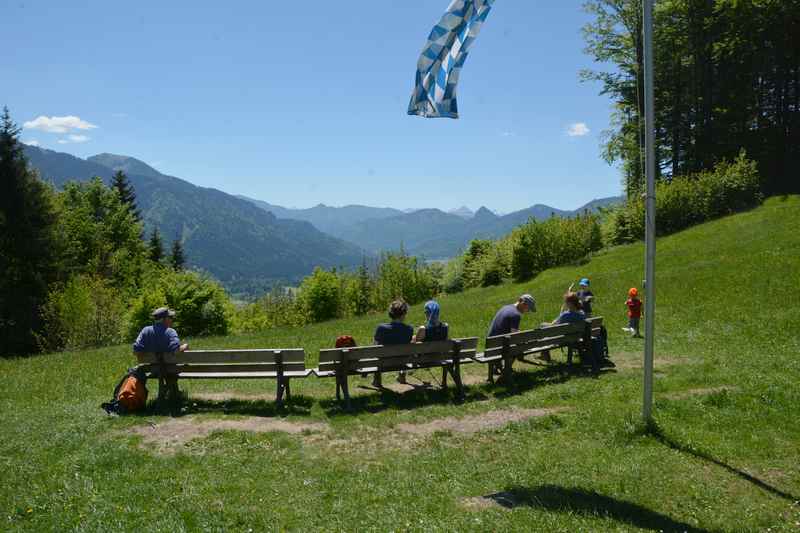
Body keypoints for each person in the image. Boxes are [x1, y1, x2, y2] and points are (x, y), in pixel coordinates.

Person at [132, 307, 188, 404]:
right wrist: (185, 346)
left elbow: (136, 351)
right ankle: (174, 395)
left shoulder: (145, 331)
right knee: (172, 369)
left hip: (153, 370)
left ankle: (173, 394)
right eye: (170, 317)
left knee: (164, 368)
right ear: (164, 319)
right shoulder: (170, 332)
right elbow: (176, 351)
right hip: (170, 369)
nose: (171, 319)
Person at [373, 300, 414, 386]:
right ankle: (402, 375)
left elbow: (375, 346)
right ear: (404, 314)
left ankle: (377, 380)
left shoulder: (381, 328)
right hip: (402, 361)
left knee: (377, 350)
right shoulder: (409, 329)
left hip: (384, 362)